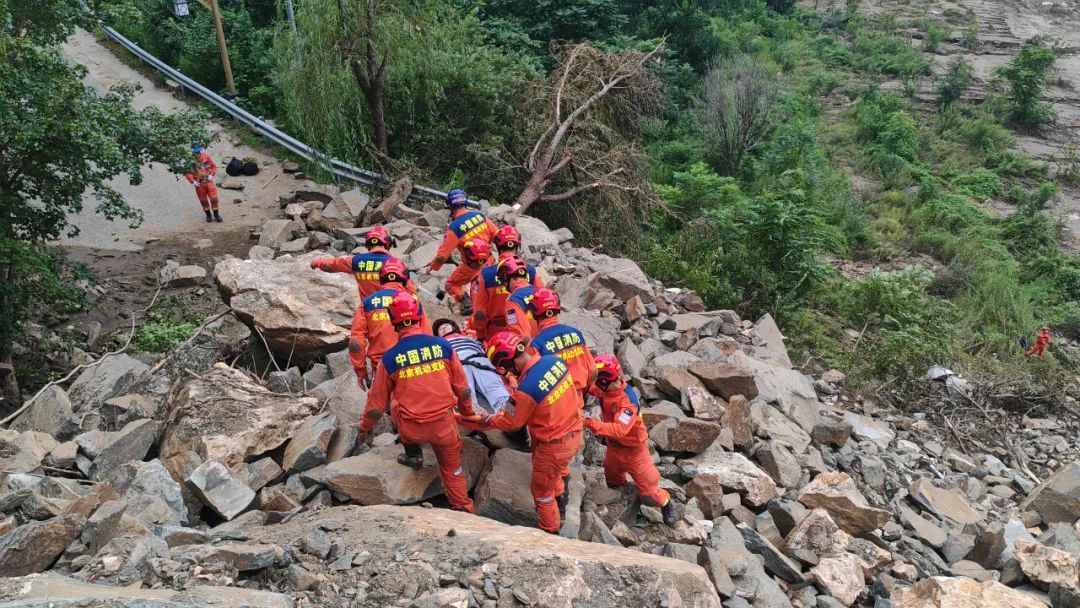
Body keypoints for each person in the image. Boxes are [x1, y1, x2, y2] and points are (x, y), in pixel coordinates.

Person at [358, 291, 477, 512]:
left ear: (393, 321)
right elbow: (463, 390)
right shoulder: (443, 346)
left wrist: (363, 428)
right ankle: (462, 508)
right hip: (444, 426)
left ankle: (413, 454)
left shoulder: (390, 358)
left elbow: (375, 407)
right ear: (420, 314)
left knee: (395, 402)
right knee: (452, 468)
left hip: (412, 429)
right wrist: (468, 413)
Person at [457, 332, 584, 533]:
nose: (506, 371)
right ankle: (560, 498)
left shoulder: (526, 390)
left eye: (504, 366)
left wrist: (484, 420)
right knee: (556, 473)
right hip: (574, 432)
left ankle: (550, 531)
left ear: (507, 359)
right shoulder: (554, 361)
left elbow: (510, 422)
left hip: (552, 446)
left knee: (541, 491)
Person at [585, 354, 677, 527]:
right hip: (614, 448)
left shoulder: (628, 403)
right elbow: (589, 388)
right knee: (612, 479)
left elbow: (619, 430)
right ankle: (623, 499)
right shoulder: (606, 390)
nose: (595, 382)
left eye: (598, 379)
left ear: (604, 380)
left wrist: (590, 423)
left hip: (635, 452)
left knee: (649, 491)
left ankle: (666, 503)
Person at [349, 259, 430, 388]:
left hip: (382, 366)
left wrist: (360, 371)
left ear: (381, 278)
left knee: (381, 404)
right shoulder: (412, 301)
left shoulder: (367, 303)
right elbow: (427, 336)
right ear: (405, 278)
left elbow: (356, 342)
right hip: (411, 365)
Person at [427, 189, 497, 315]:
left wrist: (432, 267)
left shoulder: (454, 227)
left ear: (451, 207)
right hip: (490, 261)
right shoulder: (479, 216)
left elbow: (442, 256)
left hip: (472, 268)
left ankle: (466, 302)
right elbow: (496, 235)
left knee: (450, 284)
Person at [472, 228, 545, 341]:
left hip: (498, 332)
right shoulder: (529, 271)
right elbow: (544, 301)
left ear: (497, 246)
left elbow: (479, 313)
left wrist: (481, 336)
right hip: (530, 327)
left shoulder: (486, 274)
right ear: (517, 246)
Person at [529, 288, 596, 400]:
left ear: (533, 312)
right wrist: (583, 394)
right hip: (578, 398)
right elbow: (593, 370)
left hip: (555, 403)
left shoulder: (536, 344)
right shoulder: (575, 333)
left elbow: (533, 384)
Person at [309, 226, 413, 298]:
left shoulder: (356, 261)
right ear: (388, 243)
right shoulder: (398, 265)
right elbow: (410, 291)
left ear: (367, 244)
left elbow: (333, 264)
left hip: (368, 312)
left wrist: (317, 263)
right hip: (394, 313)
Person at [432, 319, 511, 414]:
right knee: (465, 389)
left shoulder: (472, 339)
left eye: (446, 325)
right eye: (440, 329)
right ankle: (473, 408)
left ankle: (504, 405)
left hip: (480, 360)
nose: (443, 328)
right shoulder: (437, 346)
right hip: (458, 362)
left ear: (454, 327)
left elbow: (486, 351)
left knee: (493, 384)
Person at [499, 256, 539, 341]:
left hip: (531, 351)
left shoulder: (513, 301)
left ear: (505, 277)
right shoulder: (539, 291)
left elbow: (520, 336)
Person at [184, 145, 221, 223]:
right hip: (199, 183)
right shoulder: (189, 161)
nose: (197, 153)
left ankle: (216, 214)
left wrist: (212, 174)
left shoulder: (206, 157)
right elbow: (187, 173)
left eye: (198, 151)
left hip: (208, 181)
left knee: (214, 198)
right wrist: (193, 181)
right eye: (196, 151)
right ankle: (208, 215)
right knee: (203, 200)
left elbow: (213, 167)